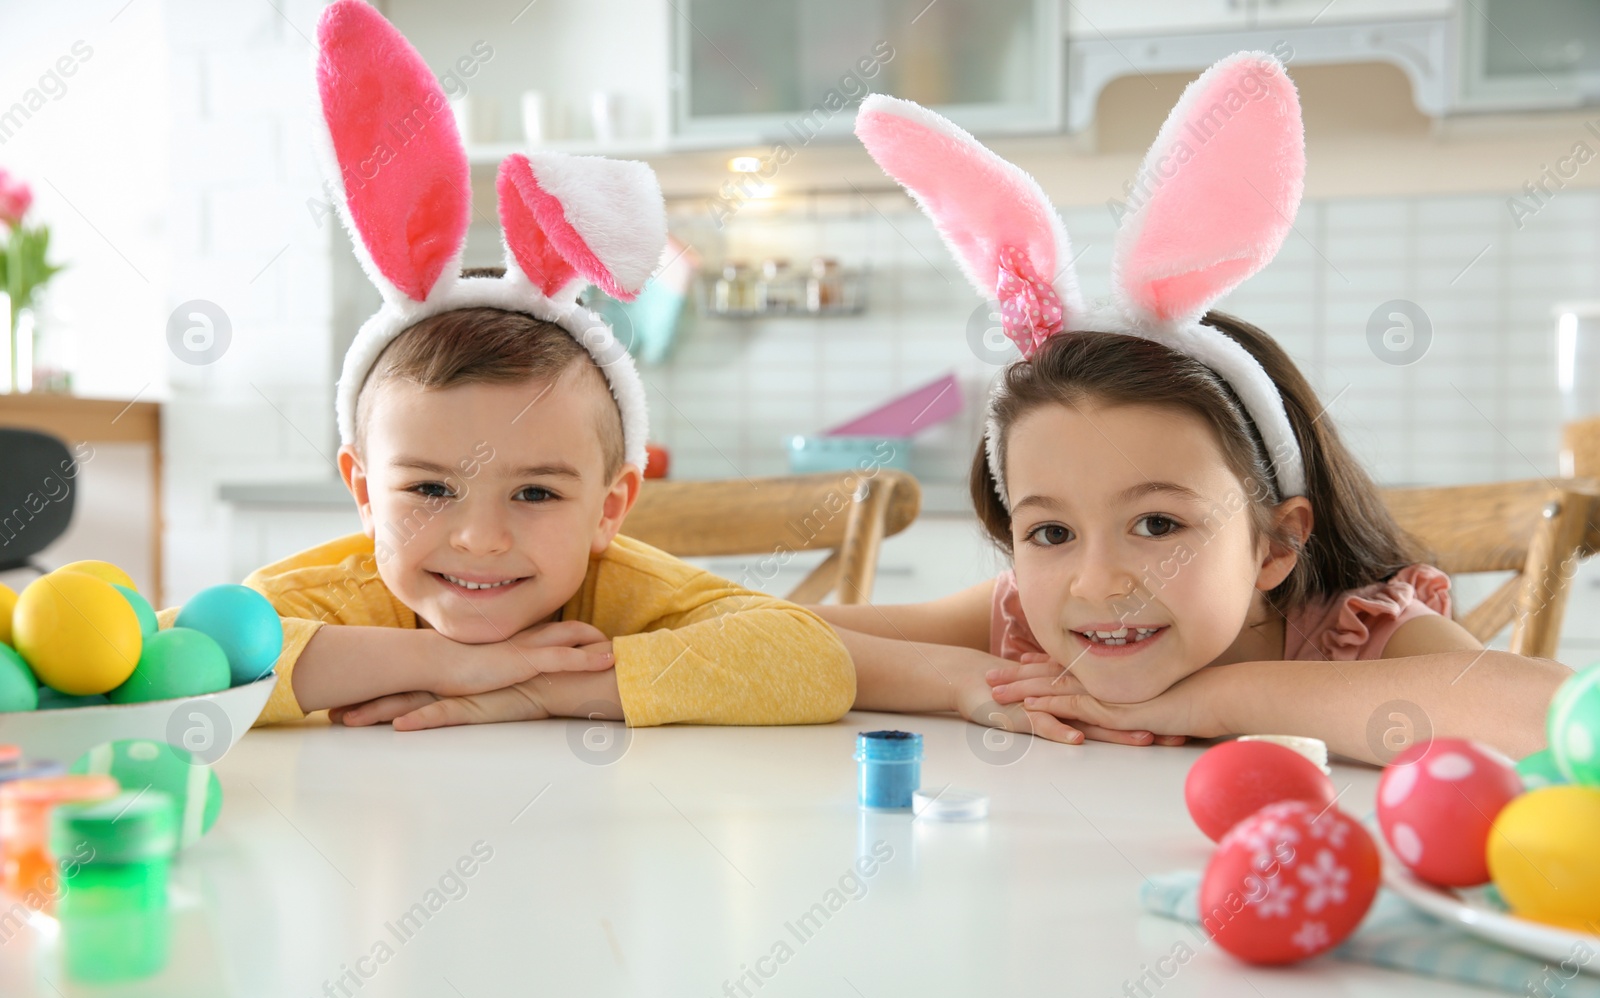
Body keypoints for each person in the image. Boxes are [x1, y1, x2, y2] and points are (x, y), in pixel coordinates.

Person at [812, 58, 1568, 763]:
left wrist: (1214, 702)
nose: (1097, 581)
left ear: (1275, 545)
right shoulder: (1029, 621)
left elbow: (1550, 713)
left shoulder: (1355, 637)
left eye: (1157, 524)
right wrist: (960, 679)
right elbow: (769, 635)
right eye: (1050, 532)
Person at [159, 0, 855, 734]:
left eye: (534, 492)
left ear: (610, 507)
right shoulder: (344, 593)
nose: (479, 538)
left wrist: (540, 688)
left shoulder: (626, 589)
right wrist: (448, 665)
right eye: (429, 486)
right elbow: (169, 661)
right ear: (364, 493)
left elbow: (812, 660)